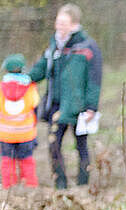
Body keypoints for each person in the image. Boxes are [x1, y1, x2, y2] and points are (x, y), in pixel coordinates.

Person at [28, 4, 101, 190]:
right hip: (56, 106)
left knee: (81, 146)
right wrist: (24, 78)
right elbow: (41, 68)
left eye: (63, 22)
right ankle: (60, 185)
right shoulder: (54, 45)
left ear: (74, 24)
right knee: (53, 145)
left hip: (79, 107)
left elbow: (94, 79)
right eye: (57, 21)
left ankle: (83, 186)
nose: (58, 26)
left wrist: (92, 107)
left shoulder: (87, 46)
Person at [1, 55, 39, 189]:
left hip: (6, 134)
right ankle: (30, 186)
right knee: (27, 160)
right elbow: (35, 106)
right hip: (26, 133)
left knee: (7, 161)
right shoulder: (30, 87)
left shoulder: (1, 88)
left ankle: (9, 187)